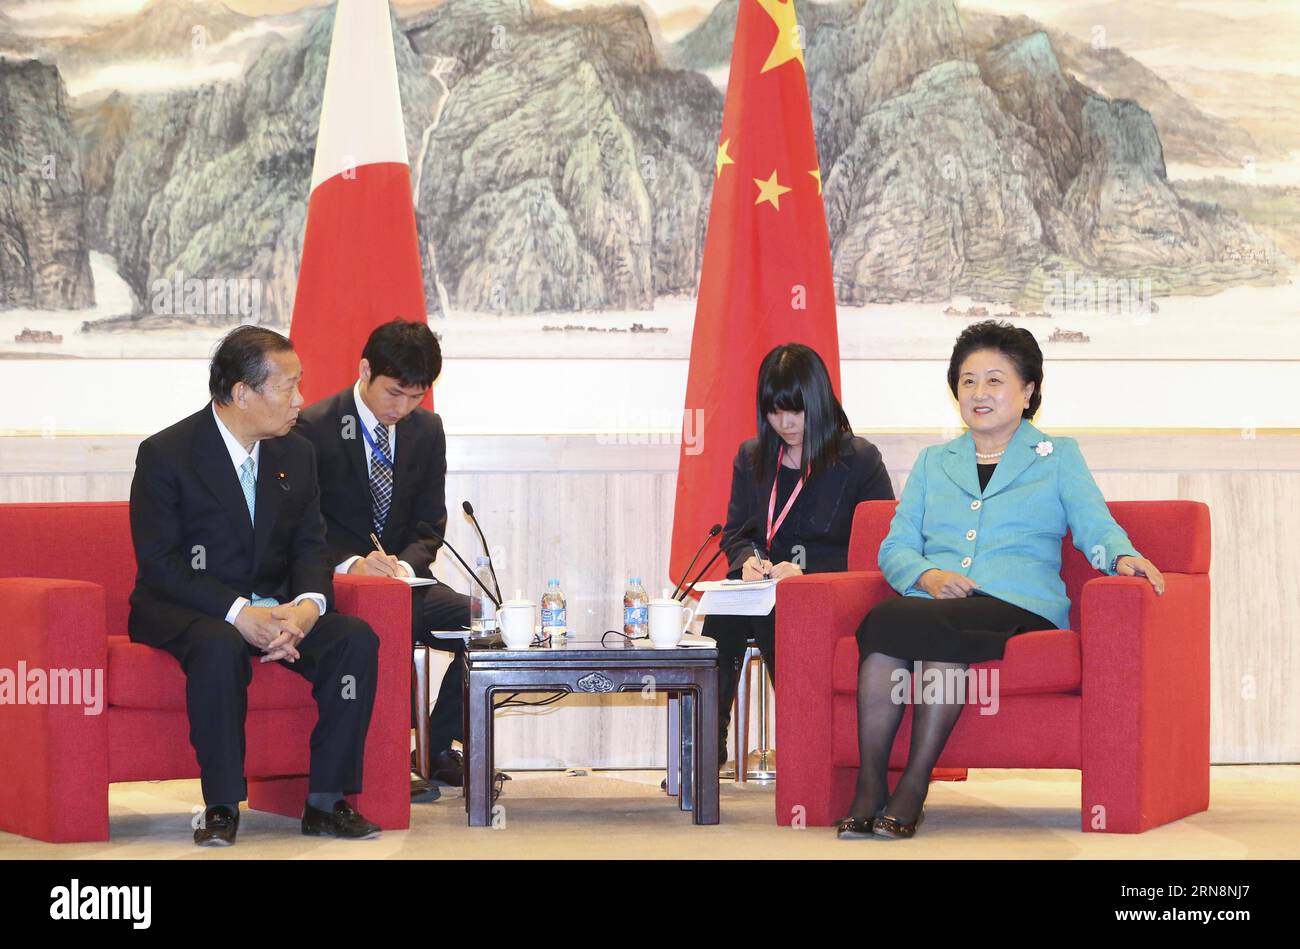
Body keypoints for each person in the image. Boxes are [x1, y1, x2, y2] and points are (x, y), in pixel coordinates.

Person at [838, 320, 1166, 840]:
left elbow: (1094, 523)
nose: (979, 393)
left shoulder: (1057, 457)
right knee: (886, 621)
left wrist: (1121, 557)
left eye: (995, 380)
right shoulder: (932, 462)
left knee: (924, 625)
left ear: (1028, 390)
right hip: (942, 602)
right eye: (968, 381)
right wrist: (927, 574)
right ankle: (870, 785)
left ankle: (914, 787)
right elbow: (895, 546)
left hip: (1018, 603)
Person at [127, 326, 382, 846]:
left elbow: (312, 546)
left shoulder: (297, 454)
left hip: (274, 609)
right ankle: (221, 804)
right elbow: (161, 564)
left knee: (354, 638)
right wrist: (239, 613)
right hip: (188, 606)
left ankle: (326, 801)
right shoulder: (167, 454)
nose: (302, 400)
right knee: (219, 643)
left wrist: (307, 609)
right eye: (288, 388)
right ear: (242, 393)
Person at [295, 319, 472, 791]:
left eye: (416, 397)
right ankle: (381, 760)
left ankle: (435, 745)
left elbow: (429, 524)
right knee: (371, 633)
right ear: (365, 369)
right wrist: (352, 564)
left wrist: (405, 567)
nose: (403, 407)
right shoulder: (312, 426)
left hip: (404, 584)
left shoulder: (427, 430)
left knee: (483, 626)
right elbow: (301, 525)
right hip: (335, 586)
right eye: (394, 393)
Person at [704, 343, 894, 767]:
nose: (785, 423)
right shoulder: (753, 457)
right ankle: (706, 742)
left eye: (796, 410)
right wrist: (748, 559)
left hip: (830, 591)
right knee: (724, 605)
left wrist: (807, 572)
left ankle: (805, 743)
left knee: (781, 606)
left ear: (819, 402)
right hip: (766, 588)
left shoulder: (859, 459)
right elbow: (736, 533)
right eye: (774, 411)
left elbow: (879, 549)